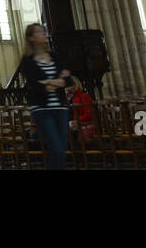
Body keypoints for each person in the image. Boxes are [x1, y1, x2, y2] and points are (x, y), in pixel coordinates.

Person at [16, 23, 73, 169]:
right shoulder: (27, 61)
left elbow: (68, 80)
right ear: (31, 38)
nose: (44, 34)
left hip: (60, 108)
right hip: (42, 110)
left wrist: (47, 82)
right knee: (56, 149)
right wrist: (56, 81)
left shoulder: (54, 57)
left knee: (61, 149)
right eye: (40, 32)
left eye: (44, 31)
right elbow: (35, 87)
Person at [67, 76, 95, 143]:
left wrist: (76, 121)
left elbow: (89, 115)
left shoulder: (83, 96)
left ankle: (74, 151)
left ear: (75, 84)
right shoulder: (66, 97)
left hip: (80, 124)